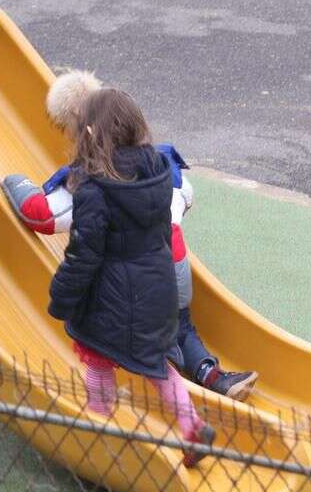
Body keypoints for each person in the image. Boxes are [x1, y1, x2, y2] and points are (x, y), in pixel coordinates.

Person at [1, 71, 259, 401]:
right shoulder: (161, 165)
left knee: (131, 339)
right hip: (173, 263)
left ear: (78, 130)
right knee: (181, 326)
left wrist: (14, 182)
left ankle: (140, 396)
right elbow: (186, 195)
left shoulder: (88, 183)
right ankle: (213, 375)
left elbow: (44, 216)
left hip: (132, 286)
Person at [47, 88, 216, 467]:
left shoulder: (93, 189)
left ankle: (99, 429)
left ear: (88, 132)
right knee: (156, 364)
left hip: (114, 297)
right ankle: (191, 425)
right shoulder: (157, 172)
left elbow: (84, 254)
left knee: (98, 361)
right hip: (158, 288)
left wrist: (62, 295)